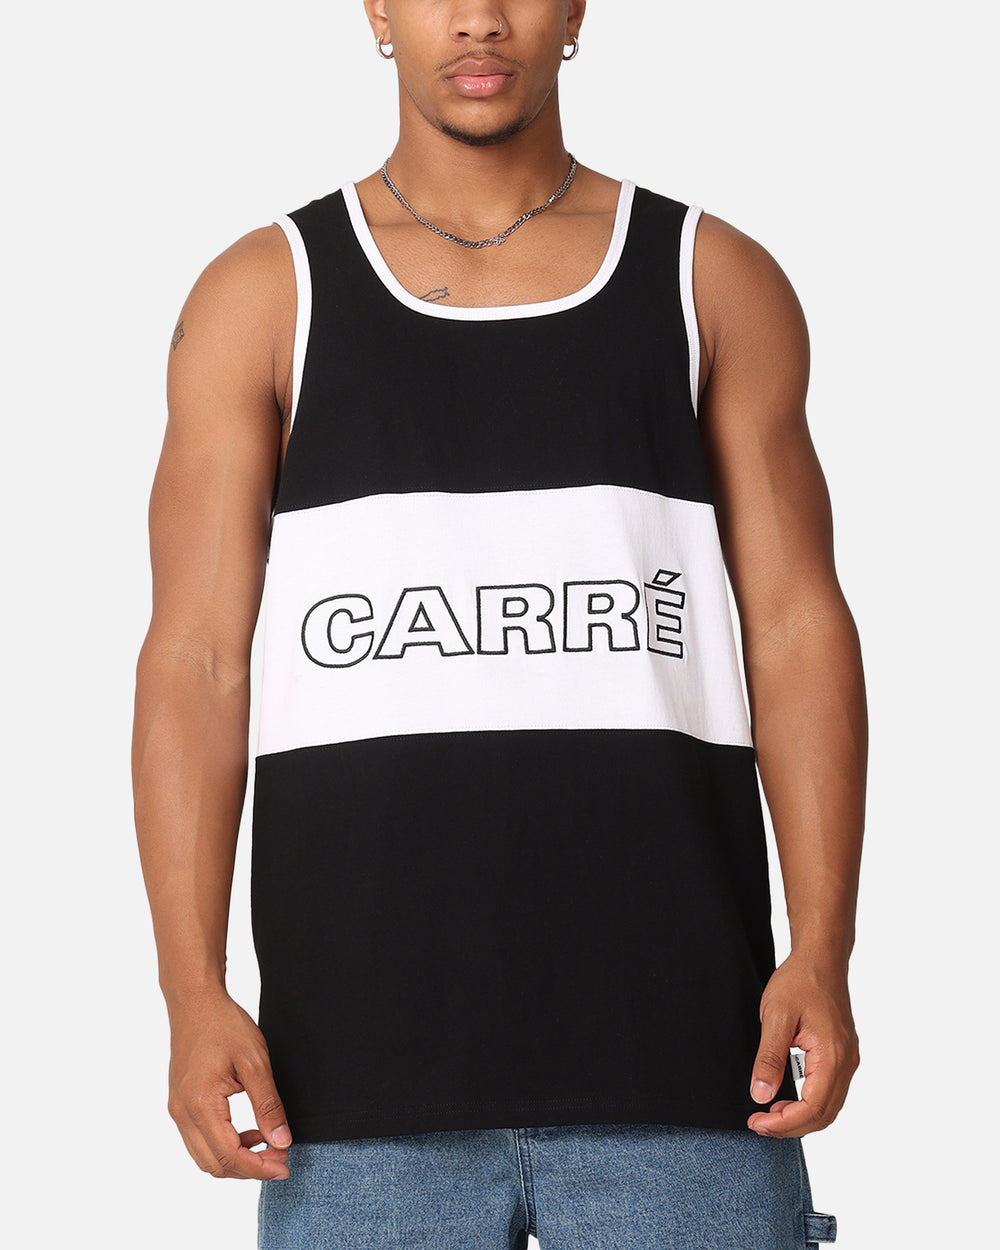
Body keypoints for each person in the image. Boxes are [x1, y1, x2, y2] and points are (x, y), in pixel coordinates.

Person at [132, 2, 866, 1246]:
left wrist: (824, 947)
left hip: (690, 1060)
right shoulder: (264, 292)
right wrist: (190, 992)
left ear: (576, 8)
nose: (479, 18)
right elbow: (195, 661)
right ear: (377, 9)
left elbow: (796, 626)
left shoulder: (707, 278)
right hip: (348, 1087)